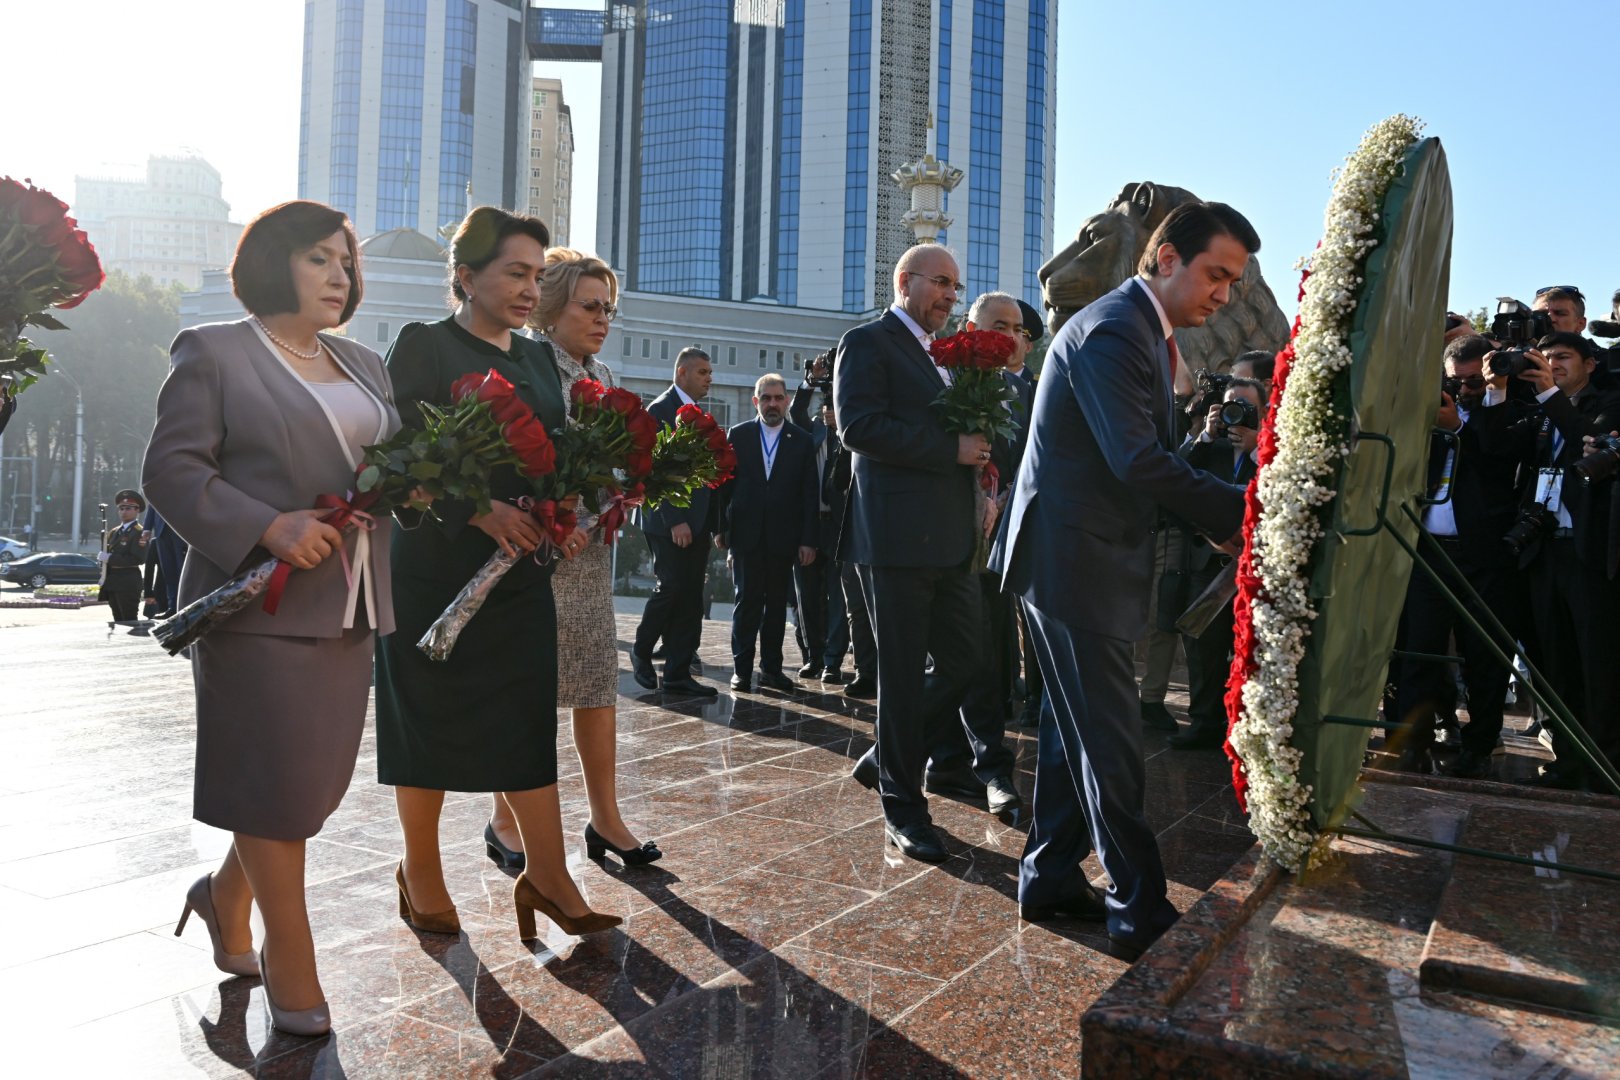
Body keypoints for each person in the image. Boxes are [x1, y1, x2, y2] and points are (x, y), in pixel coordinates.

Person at [143, 200, 399, 1036]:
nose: (339, 274)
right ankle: (292, 957)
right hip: (258, 601)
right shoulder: (214, 351)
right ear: (273, 260)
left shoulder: (364, 362)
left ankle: (222, 897)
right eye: (319, 257)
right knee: (277, 787)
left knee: (305, 791)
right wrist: (267, 525)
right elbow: (171, 471)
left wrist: (419, 486)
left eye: (346, 261)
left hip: (351, 600)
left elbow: (385, 468)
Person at [991, 201, 1254, 961]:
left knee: (1074, 730)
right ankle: (1139, 907)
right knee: (1108, 738)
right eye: (1216, 274)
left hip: (1075, 555)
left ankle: (1046, 878)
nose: (1224, 295)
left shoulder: (1138, 329)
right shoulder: (1114, 329)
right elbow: (1135, 460)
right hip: (1077, 559)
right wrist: (1245, 510)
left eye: (1234, 282)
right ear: (1166, 257)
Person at [375, 206, 619, 946]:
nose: (527, 289)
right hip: (434, 574)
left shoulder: (540, 360)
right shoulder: (425, 345)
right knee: (428, 725)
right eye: (514, 272)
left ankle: (548, 876)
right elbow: (394, 460)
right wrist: (477, 510)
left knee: (521, 721)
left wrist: (563, 515)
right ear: (465, 276)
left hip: (520, 573)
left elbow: (549, 461)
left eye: (536, 276)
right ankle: (421, 873)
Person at [485, 249, 663, 868]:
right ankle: (505, 820)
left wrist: (628, 488)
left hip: (588, 559)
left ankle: (606, 819)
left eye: (608, 308)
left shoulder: (606, 378)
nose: (602, 318)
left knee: (594, 686)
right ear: (555, 305)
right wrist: (553, 513)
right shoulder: (528, 366)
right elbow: (508, 456)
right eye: (590, 306)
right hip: (533, 554)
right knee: (530, 691)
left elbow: (614, 463)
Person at [833, 243, 989, 864]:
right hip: (895, 542)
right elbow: (859, 428)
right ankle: (904, 806)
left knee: (966, 662)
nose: (951, 296)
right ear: (905, 281)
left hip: (952, 541)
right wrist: (949, 449)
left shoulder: (946, 358)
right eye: (941, 284)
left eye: (956, 286)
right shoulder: (868, 343)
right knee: (898, 679)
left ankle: (886, 753)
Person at [1477, 332, 1620, 789]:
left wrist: (1550, 394)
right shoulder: (1538, 405)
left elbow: (1589, 442)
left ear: (1590, 363)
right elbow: (1497, 449)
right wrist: (1496, 391)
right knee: (1553, 663)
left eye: (1562, 356)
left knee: (1597, 664)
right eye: (1545, 357)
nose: (1551, 364)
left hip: (1590, 556)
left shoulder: (1609, 401)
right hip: (1541, 551)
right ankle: (1569, 759)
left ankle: (1606, 767)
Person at [1389, 335, 1528, 777]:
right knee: (1420, 652)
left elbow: (1501, 462)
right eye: (1457, 382)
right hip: (1430, 552)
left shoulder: (1509, 409)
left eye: (1474, 382)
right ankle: (1414, 742)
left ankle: (1480, 745)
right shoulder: (1429, 415)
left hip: (1485, 556)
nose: (1465, 390)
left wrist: (1460, 429)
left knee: (1484, 657)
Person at [1170, 377, 1266, 751]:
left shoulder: (1271, 451)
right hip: (1207, 565)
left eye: (1245, 406)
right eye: (1229, 405)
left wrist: (1257, 446)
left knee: (1251, 649)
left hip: (1251, 568)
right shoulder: (1209, 449)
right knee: (1202, 650)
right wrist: (1206, 435)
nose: (1235, 414)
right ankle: (1205, 721)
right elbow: (1175, 474)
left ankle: (1248, 727)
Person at [716, 374, 818, 693]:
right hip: (746, 535)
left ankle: (772, 670)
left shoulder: (801, 440)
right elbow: (724, 487)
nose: (773, 404)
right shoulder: (739, 435)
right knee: (747, 603)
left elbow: (809, 493)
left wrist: (808, 539)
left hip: (783, 538)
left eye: (778, 397)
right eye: (766, 398)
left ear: (787, 400)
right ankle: (742, 670)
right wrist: (721, 529)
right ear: (755, 400)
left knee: (775, 606)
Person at [631, 348, 721, 696]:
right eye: (702, 372)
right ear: (682, 372)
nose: (709, 378)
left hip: (697, 524)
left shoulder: (699, 414)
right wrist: (675, 520)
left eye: (710, 372)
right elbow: (654, 470)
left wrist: (710, 524)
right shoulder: (661, 410)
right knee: (670, 587)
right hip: (668, 522)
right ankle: (641, 651)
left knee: (690, 597)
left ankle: (677, 674)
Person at [99, 489, 147, 621]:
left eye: (128, 508)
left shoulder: (139, 532)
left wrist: (110, 558)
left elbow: (138, 558)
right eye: (121, 508)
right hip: (113, 581)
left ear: (137, 510)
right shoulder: (114, 532)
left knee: (129, 619)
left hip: (128, 581)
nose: (124, 512)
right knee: (117, 620)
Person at [142, 504, 188, 618]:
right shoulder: (158, 485)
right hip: (161, 530)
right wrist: (147, 527)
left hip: (182, 529)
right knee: (168, 572)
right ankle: (172, 608)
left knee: (183, 571)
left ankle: (185, 606)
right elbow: (153, 500)